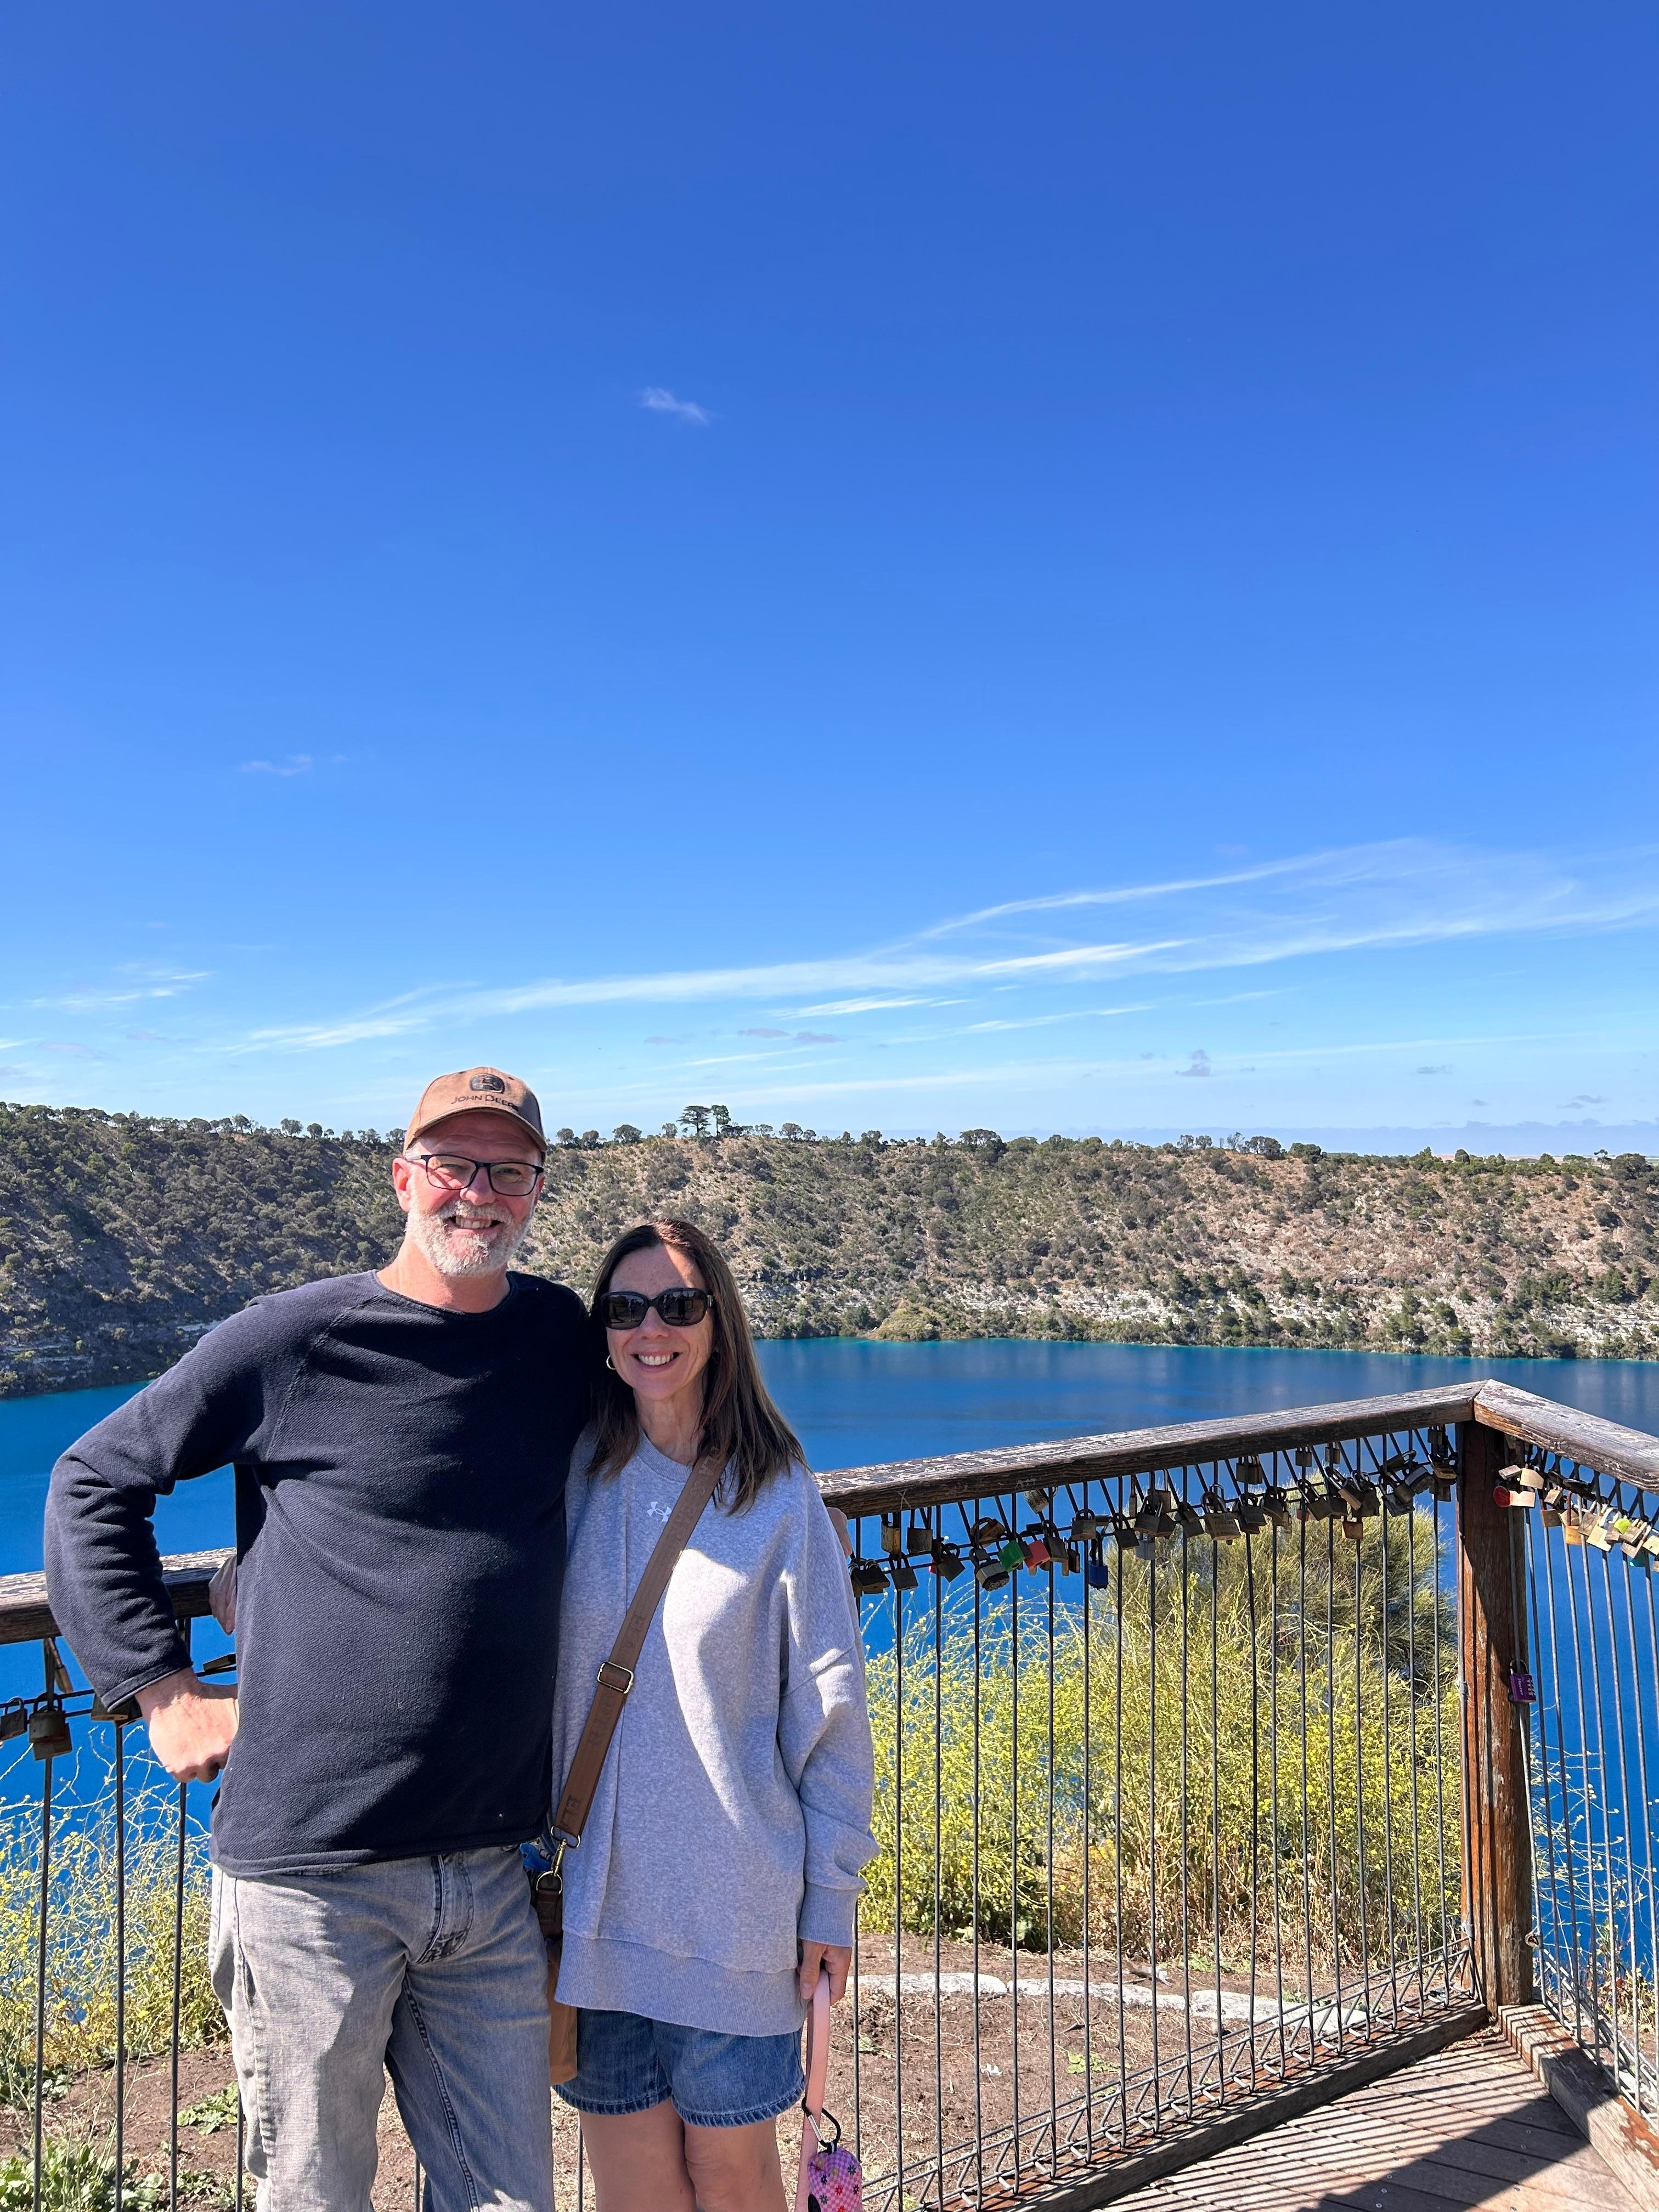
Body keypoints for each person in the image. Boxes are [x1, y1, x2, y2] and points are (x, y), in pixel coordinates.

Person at [44, 1068, 592, 2212]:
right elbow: (93, 1479)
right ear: (404, 1178)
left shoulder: (558, 1338)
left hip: (492, 1870)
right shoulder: (295, 1339)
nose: (476, 1193)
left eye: (507, 1169)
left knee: (512, 2201)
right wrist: (158, 1686)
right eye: (452, 1164)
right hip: (312, 1879)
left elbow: (671, 1422)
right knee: (313, 2195)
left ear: (538, 1191)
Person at [548, 1218, 875, 2212]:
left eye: (680, 1305)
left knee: (733, 2180)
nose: (654, 1328)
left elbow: (830, 1713)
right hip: (595, 1917)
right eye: (626, 1308)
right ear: (603, 1332)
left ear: (719, 1324)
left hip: (733, 1915)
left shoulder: (776, 1499)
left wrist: (832, 1901)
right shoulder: (569, 1480)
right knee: (632, 2190)